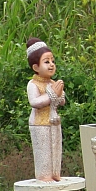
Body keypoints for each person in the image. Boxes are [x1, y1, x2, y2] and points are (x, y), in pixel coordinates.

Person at [26, 37, 65, 182]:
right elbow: (35, 102)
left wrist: (59, 95)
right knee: (44, 152)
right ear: (36, 67)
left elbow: (61, 102)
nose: (51, 65)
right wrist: (52, 95)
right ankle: (44, 176)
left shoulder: (52, 83)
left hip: (54, 121)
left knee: (55, 149)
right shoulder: (33, 84)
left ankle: (55, 173)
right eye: (46, 62)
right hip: (39, 123)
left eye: (52, 61)